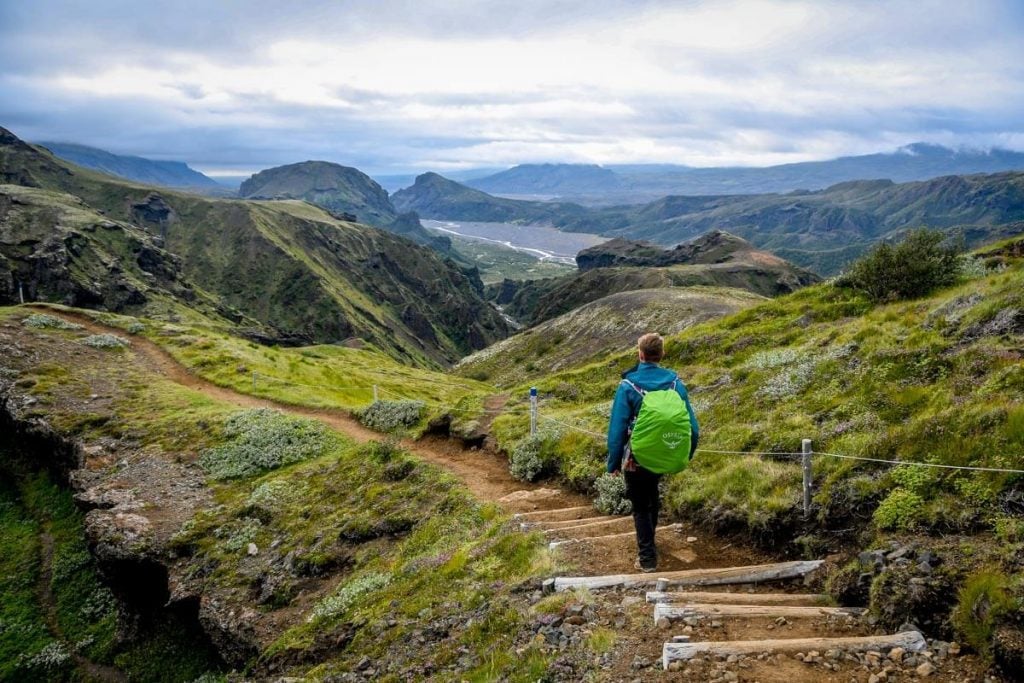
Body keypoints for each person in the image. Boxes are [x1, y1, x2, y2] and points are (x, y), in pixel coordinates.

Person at [606, 332, 699, 573]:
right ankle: (650, 543)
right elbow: (693, 427)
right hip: (665, 451)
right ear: (662, 354)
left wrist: (613, 463)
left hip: (636, 456)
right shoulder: (675, 383)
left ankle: (647, 558)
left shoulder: (628, 386)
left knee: (640, 504)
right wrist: (685, 453)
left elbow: (617, 429)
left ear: (640, 354)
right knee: (652, 495)